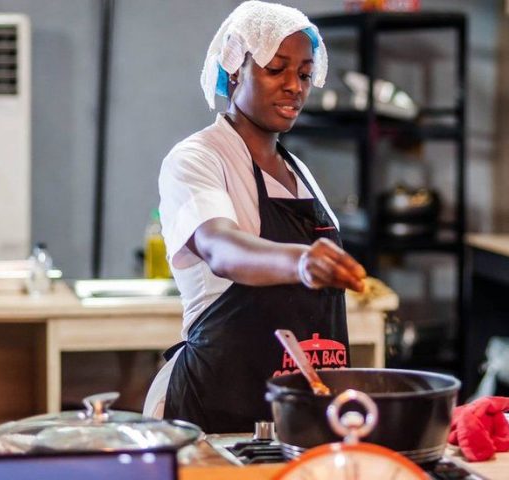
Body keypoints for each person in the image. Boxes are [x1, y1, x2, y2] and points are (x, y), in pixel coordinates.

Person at [143, 1, 366, 433]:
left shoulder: (299, 172)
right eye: (276, 68)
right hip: (215, 409)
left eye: (303, 74)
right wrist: (300, 261)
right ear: (235, 68)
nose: (294, 87)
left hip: (298, 412)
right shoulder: (199, 158)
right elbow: (220, 247)